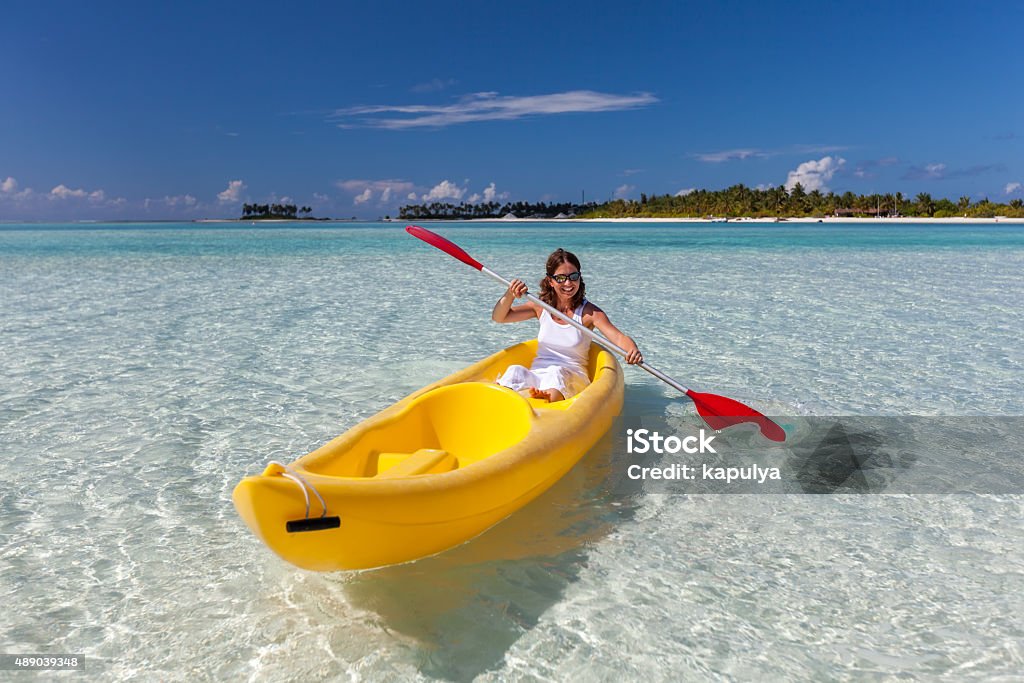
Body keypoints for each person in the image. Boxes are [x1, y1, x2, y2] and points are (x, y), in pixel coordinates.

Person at [492, 247, 643, 402]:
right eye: (561, 278)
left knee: (556, 374)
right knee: (515, 371)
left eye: (573, 276)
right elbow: (500, 317)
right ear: (550, 281)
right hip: (539, 374)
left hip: (572, 376)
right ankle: (524, 398)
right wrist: (510, 294)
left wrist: (632, 349)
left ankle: (546, 399)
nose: (568, 283)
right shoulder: (541, 306)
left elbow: (618, 338)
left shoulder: (589, 313)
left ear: (580, 277)